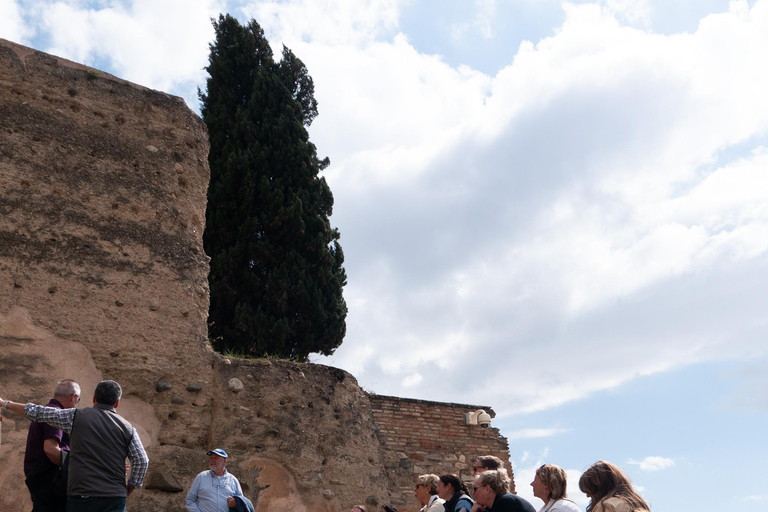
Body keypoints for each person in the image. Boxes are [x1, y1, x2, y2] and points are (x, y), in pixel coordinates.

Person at [1, 380, 149, 512]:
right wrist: (130, 488)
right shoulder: (128, 428)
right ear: (117, 402)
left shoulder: (75, 416)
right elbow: (142, 460)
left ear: (93, 399)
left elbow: (37, 412)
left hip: (82, 495)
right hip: (114, 497)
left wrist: (4, 403)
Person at [24, 379, 81, 512]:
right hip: (49, 479)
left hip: (41, 477)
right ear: (73, 397)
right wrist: (72, 468)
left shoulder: (46, 410)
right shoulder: (56, 414)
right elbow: (50, 449)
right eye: (78, 400)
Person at [186, 448, 253, 512]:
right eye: (211, 458)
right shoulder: (201, 477)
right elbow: (190, 500)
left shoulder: (233, 480)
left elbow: (241, 502)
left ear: (225, 461)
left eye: (216, 458)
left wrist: (235, 503)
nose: (212, 460)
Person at [578, 461, 650, 512]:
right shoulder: (638, 505)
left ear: (600, 487)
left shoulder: (606, 505)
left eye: (590, 490)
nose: (588, 495)